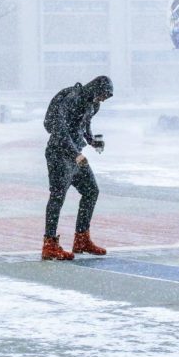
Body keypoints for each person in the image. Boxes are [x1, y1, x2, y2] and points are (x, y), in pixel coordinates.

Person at [41, 75, 113, 261]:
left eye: (106, 97)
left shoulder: (92, 104)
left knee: (91, 191)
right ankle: (49, 244)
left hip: (75, 155)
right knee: (57, 195)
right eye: (103, 95)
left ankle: (81, 239)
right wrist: (75, 153)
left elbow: (84, 125)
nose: (103, 99)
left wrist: (91, 141)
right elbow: (59, 129)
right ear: (95, 88)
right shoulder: (72, 98)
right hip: (59, 154)